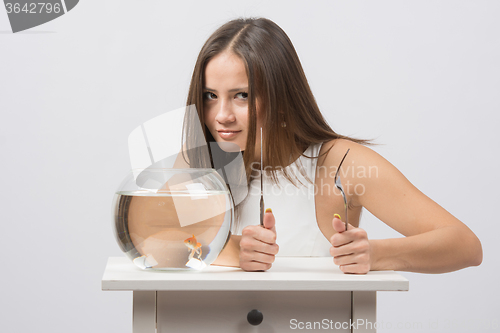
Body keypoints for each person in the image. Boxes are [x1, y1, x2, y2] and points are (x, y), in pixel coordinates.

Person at [185, 17, 482, 274]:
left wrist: (376, 255)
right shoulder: (201, 159)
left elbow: (465, 245)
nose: (221, 116)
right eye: (210, 95)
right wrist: (229, 251)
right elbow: (155, 240)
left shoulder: (341, 163)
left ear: (282, 96)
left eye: (242, 95)